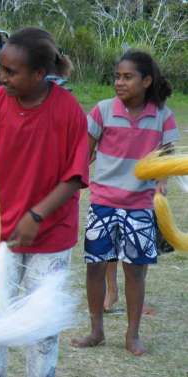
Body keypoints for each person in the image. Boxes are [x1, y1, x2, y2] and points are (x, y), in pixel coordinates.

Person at [0, 27, 89, 376]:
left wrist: (36, 216)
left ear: (40, 74)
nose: (1, 77)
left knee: (41, 327)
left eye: (11, 72)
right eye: (0, 68)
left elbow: (75, 175)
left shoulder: (68, 110)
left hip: (51, 234)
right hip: (0, 234)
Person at [71, 50, 178, 356]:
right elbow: (84, 154)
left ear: (146, 81)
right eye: (117, 76)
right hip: (103, 202)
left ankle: (132, 336)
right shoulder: (102, 111)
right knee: (95, 267)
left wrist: (161, 184)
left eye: (127, 77)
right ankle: (96, 331)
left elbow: (168, 158)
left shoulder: (162, 116)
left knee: (136, 272)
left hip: (141, 206)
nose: (119, 82)